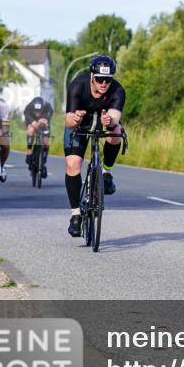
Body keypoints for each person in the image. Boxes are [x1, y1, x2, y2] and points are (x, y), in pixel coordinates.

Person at [63, 55, 126, 237]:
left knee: (116, 132)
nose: (104, 83)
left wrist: (110, 121)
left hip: (101, 122)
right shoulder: (77, 85)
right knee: (73, 164)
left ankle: (106, 172)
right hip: (79, 125)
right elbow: (68, 120)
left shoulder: (118, 90)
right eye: (99, 79)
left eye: (107, 79)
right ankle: (75, 215)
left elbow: (115, 117)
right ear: (92, 76)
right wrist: (75, 118)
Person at [23, 95, 53, 178]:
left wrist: (44, 119)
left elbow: (49, 115)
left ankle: (43, 161)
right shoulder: (29, 107)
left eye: (39, 111)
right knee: (31, 130)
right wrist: (33, 121)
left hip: (44, 122)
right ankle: (29, 152)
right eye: (36, 111)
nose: (37, 113)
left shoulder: (48, 106)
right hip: (31, 120)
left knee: (46, 141)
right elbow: (26, 114)